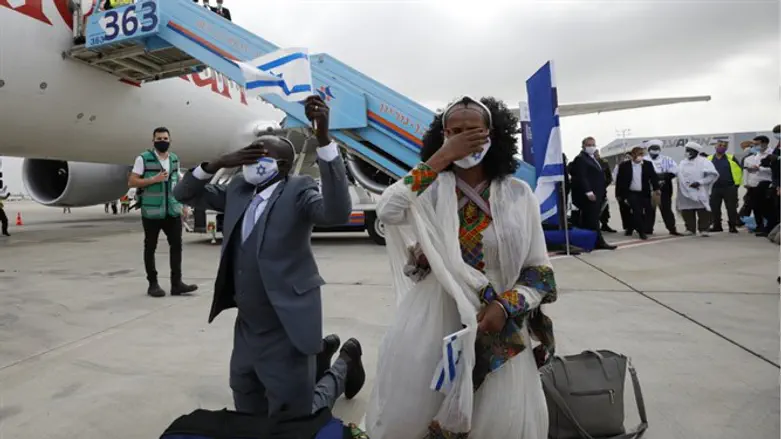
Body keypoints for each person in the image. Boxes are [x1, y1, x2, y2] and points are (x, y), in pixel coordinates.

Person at [366, 96, 556, 439]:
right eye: (454, 132)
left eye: (473, 132)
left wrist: (504, 305)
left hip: (496, 323)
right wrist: (442, 158)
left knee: (498, 417)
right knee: (423, 409)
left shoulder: (518, 194)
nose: (464, 139)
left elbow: (539, 271)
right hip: (434, 322)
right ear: (442, 136)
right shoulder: (429, 190)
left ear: (492, 134)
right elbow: (388, 210)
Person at [173, 95, 356, 419]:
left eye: (261, 156)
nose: (251, 162)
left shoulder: (298, 190)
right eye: (250, 154)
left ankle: (344, 365)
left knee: (294, 414)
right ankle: (322, 353)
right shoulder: (238, 189)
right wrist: (218, 162)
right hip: (248, 326)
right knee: (246, 397)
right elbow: (184, 194)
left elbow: (337, 211)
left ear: (283, 166)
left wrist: (324, 139)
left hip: (288, 324)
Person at [128, 127, 198, 298]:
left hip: (172, 211)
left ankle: (177, 284)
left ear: (170, 140)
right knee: (150, 247)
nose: (162, 141)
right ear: (153, 141)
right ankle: (153, 284)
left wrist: (184, 205)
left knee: (177, 247)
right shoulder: (143, 159)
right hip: (152, 212)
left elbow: (177, 183)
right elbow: (132, 181)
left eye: (165, 138)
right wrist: (154, 179)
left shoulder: (174, 159)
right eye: (159, 138)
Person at [569, 136, 616, 249]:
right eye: (589, 145)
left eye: (593, 145)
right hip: (590, 195)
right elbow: (582, 176)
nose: (592, 147)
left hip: (598, 193)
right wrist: (588, 192)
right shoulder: (581, 158)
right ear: (583, 146)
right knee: (593, 220)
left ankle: (590, 242)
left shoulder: (592, 158)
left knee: (590, 220)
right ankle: (599, 242)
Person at [615, 146, 660, 240]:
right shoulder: (624, 166)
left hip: (644, 192)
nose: (640, 156)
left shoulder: (648, 164)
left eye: (641, 154)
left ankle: (631, 227)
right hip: (631, 193)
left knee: (647, 211)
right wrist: (618, 194)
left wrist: (657, 189)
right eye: (638, 154)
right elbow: (620, 181)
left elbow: (653, 177)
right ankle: (641, 232)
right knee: (637, 211)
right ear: (632, 155)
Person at [676, 142, 719, 236]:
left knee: (702, 210)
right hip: (685, 191)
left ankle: (704, 229)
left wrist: (700, 182)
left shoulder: (704, 161)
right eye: (686, 150)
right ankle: (690, 229)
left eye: (689, 151)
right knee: (687, 210)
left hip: (699, 189)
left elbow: (712, 175)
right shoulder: (683, 162)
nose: (687, 152)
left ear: (695, 152)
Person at [644, 140, 681, 236]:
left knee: (666, 209)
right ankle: (647, 229)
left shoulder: (667, 159)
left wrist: (664, 176)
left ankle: (672, 228)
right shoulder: (644, 160)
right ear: (648, 149)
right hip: (649, 189)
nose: (655, 151)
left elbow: (675, 170)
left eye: (656, 148)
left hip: (664, 188)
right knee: (649, 210)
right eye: (653, 149)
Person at [707, 140, 742, 233]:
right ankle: (717, 225)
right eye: (720, 145)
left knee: (731, 208)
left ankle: (732, 226)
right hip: (714, 187)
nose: (722, 147)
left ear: (726, 148)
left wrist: (736, 184)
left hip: (729, 187)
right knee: (714, 208)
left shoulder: (731, 158)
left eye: (724, 146)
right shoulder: (709, 159)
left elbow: (739, 171)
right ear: (715, 146)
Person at [744, 135, 774, 236]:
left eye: (757, 144)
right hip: (755, 184)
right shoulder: (757, 155)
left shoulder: (772, 154)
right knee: (756, 207)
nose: (755, 146)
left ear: (764, 143)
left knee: (767, 208)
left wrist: (759, 169)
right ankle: (759, 226)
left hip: (767, 183)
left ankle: (769, 228)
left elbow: (774, 170)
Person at [594, 150, 616, 233]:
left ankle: (604, 224)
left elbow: (609, 177)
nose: (596, 155)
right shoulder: (587, 162)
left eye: (597, 154)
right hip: (591, 190)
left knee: (604, 208)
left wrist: (603, 186)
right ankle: (594, 226)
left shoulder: (604, 163)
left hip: (602, 189)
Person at [612, 153, 634, 235]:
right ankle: (628, 227)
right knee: (625, 211)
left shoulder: (636, 166)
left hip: (634, 192)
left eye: (629, 157)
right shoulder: (619, 167)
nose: (627, 159)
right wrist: (617, 194)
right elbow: (616, 180)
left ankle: (636, 226)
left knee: (635, 211)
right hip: (622, 192)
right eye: (625, 157)